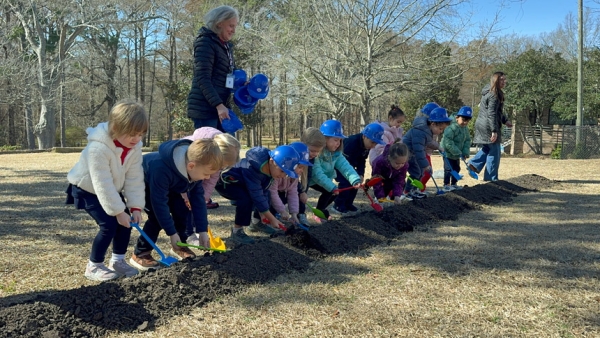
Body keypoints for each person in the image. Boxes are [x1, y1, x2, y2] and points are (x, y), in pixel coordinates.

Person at [65, 99, 148, 282]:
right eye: (132, 134)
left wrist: (134, 207)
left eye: (140, 134)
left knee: (127, 223)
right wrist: (118, 211)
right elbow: (102, 183)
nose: (136, 139)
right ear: (116, 129)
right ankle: (93, 266)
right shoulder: (98, 148)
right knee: (109, 225)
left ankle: (117, 261)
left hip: (111, 189)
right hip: (87, 188)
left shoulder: (135, 148)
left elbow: (134, 179)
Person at [129, 139, 223, 271]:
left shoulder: (196, 169)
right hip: (145, 184)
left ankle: (179, 246)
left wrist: (202, 230)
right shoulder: (160, 168)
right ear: (191, 166)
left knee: (182, 209)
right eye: (206, 174)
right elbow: (159, 204)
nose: (207, 178)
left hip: (170, 185)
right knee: (156, 219)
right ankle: (140, 253)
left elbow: (198, 201)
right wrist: (172, 233)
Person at [214, 145, 300, 244]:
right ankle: (237, 232)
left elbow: (262, 191)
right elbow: (256, 194)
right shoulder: (254, 169)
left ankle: (257, 222)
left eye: (286, 173)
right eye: (282, 171)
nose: (283, 176)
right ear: (272, 161)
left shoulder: (270, 169)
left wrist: (264, 214)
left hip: (243, 184)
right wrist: (271, 218)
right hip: (227, 183)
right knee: (246, 199)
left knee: (266, 195)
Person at [187, 5, 239, 131]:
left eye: (235, 26)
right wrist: (218, 105)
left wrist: (242, 83)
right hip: (206, 110)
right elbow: (202, 78)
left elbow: (228, 74)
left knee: (228, 148)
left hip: (222, 108)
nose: (233, 30)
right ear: (219, 23)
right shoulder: (205, 42)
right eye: (231, 26)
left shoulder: (226, 46)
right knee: (208, 149)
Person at [179, 127, 240, 234]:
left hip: (195, 180)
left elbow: (211, 181)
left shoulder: (215, 158)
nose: (220, 169)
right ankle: (186, 233)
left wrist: (203, 198)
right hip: (180, 179)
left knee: (196, 202)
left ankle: (195, 230)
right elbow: (180, 176)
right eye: (221, 166)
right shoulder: (188, 152)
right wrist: (184, 195)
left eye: (222, 167)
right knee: (184, 206)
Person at [309, 120, 361, 222]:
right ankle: (318, 213)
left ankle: (319, 210)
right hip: (313, 179)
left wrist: (355, 179)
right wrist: (332, 187)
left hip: (325, 180)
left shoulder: (336, 154)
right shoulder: (317, 153)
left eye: (340, 141)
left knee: (333, 193)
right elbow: (317, 174)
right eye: (336, 140)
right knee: (330, 191)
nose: (338, 143)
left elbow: (345, 166)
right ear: (324, 139)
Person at [332, 122, 385, 215]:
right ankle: (338, 204)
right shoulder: (351, 142)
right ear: (364, 136)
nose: (373, 146)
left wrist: (360, 174)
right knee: (345, 184)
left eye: (375, 143)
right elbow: (344, 161)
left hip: (351, 169)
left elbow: (362, 160)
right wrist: (353, 173)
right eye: (372, 142)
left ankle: (348, 203)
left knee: (355, 184)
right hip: (340, 167)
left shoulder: (366, 146)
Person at [469, 72, 512, 181]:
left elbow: (497, 112)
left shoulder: (490, 93)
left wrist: (505, 120)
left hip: (482, 123)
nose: (504, 82)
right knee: (495, 151)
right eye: (502, 80)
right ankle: (491, 179)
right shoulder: (493, 95)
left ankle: (474, 164)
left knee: (488, 148)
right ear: (495, 81)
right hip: (488, 125)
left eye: (504, 79)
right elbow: (491, 113)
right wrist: (494, 130)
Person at [402, 107, 452, 198]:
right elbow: (419, 150)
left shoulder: (426, 131)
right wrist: (425, 165)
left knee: (420, 172)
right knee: (416, 172)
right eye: (440, 129)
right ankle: (407, 192)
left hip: (412, 154)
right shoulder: (420, 132)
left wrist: (439, 147)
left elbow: (429, 142)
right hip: (406, 154)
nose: (441, 132)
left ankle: (414, 190)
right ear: (433, 124)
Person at [262, 142, 313, 227]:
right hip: (266, 194)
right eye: (300, 167)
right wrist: (282, 211)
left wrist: (294, 214)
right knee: (268, 198)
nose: (302, 171)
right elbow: (272, 192)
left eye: (303, 168)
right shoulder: (278, 174)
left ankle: (273, 216)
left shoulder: (294, 178)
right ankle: (263, 220)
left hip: (277, 194)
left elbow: (293, 193)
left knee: (283, 198)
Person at [298, 127, 326, 225]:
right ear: (303, 144)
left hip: (300, 183)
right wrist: (300, 191)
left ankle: (301, 214)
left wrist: (303, 191)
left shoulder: (311, 158)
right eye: (313, 150)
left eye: (318, 151)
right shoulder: (295, 155)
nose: (315, 154)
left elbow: (308, 175)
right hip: (285, 184)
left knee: (302, 194)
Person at [441, 106, 473, 191]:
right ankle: (446, 184)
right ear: (457, 117)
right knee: (448, 169)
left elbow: (467, 140)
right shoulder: (451, 127)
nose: (465, 123)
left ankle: (454, 184)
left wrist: (465, 152)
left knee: (457, 168)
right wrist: (458, 152)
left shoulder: (465, 129)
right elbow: (448, 142)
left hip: (457, 154)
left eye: (467, 121)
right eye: (463, 120)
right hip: (447, 153)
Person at [417, 102, 441, 192]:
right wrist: (438, 146)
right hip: (419, 152)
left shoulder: (433, 126)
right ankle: (413, 189)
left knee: (428, 172)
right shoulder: (421, 127)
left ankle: (420, 189)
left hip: (427, 152)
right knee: (423, 173)